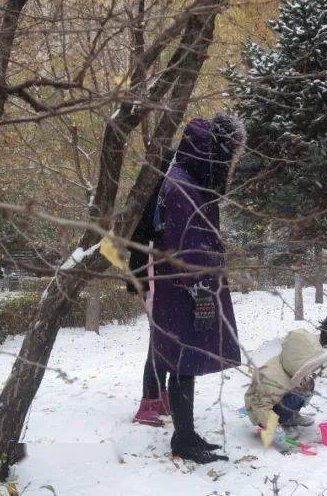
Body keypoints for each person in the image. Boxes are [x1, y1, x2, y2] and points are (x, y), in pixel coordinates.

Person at [148, 114, 246, 464]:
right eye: (225, 155)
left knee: (185, 364)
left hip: (186, 289)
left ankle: (185, 434)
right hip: (186, 291)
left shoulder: (186, 178)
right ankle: (183, 439)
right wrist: (202, 291)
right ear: (209, 153)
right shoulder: (182, 186)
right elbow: (184, 248)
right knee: (183, 362)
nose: (228, 165)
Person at [129, 176, 169, 427]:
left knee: (164, 341)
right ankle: (148, 403)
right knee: (158, 341)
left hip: (155, 277)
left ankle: (160, 397)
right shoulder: (154, 197)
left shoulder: (155, 193)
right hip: (153, 278)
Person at [245, 329, 327, 430]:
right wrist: (272, 427)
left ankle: (291, 417)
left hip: (279, 401)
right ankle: (280, 422)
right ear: (295, 361)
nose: (310, 372)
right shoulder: (269, 376)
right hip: (261, 415)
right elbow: (259, 406)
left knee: (308, 384)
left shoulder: (289, 367)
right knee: (297, 394)